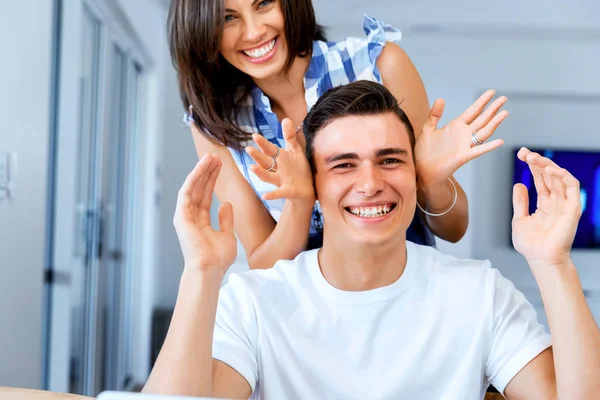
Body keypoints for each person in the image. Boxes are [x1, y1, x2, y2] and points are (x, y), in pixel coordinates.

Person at [144, 81, 600, 399]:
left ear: (414, 176)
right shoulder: (253, 300)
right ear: (315, 185)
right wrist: (201, 273)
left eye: (390, 160)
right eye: (343, 164)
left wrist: (553, 262)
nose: (370, 183)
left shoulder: (481, 292)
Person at [168, 0, 509, 269]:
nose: (255, 31)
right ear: (201, 31)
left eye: (264, 3)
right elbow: (263, 263)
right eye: (229, 18)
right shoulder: (215, 124)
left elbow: (453, 230)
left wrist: (431, 180)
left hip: (406, 287)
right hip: (310, 313)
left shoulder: (380, 64)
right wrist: (300, 203)